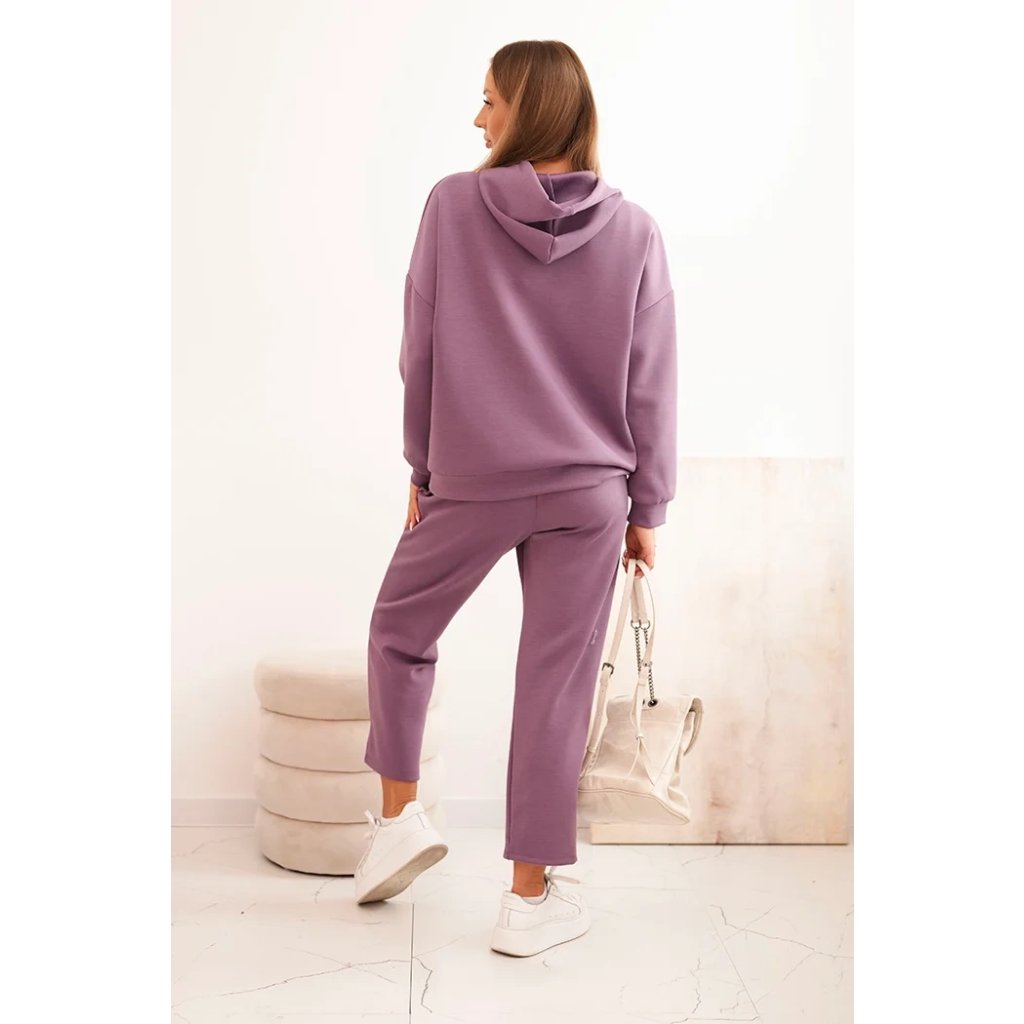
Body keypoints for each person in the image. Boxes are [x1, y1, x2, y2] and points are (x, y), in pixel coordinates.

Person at [355, 40, 677, 957]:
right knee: (554, 688)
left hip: (474, 479)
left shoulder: (453, 206)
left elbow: (420, 349)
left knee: (398, 632)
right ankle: (528, 904)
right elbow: (652, 383)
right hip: (590, 494)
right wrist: (647, 510)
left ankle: (399, 821)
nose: (479, 116)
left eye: (490, 98)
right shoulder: (636, 231)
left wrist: (423, 468)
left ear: (528, 109)